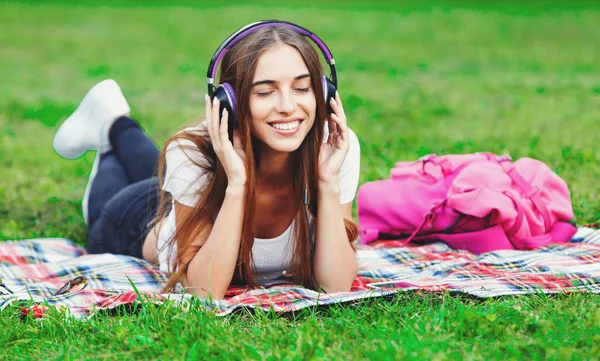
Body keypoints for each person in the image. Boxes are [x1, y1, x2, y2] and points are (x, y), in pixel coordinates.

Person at [52, 21, 361, 300]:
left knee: (162, 171)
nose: (287, 106)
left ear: (323, 93)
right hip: (135, 221)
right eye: (265, 92)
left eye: (302, 88)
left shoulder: (332, 147)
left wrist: (327, 183)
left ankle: (114, 120)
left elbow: (336, 286)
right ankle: (112, 127)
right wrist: (237, 183)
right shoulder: (192, 153)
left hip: (184, 193)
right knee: (133, 189)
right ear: (231, 103)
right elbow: (203, 290)